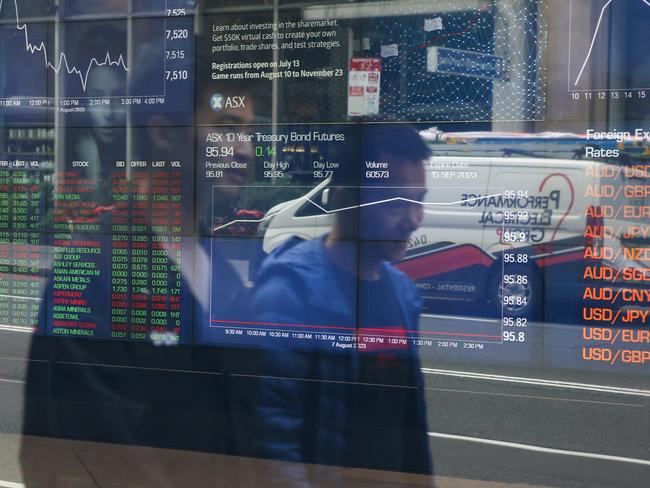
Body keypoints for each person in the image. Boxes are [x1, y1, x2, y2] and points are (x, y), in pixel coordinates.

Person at [252, 124, 434, 480]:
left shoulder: (403, 293)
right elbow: (273, 441)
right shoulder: (288, 296)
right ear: (343, 199)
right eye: (396, 204)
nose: (413, 220)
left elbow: (411, 428)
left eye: (419, 201)